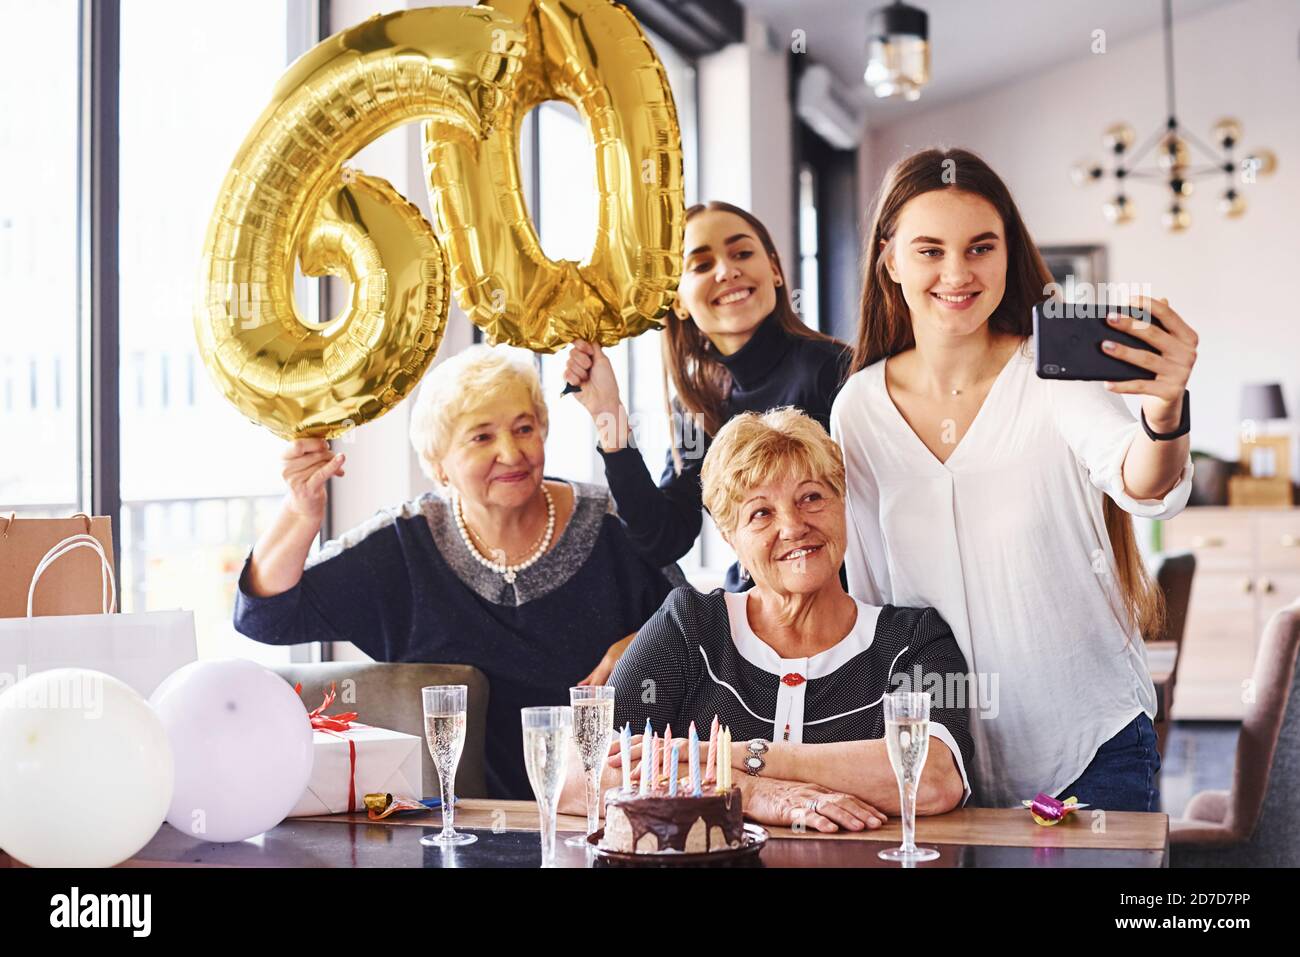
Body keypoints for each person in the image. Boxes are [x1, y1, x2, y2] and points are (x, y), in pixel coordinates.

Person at [832, 147, 1197, 811]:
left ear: (1007, 254)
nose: (957, 272)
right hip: (941, 759)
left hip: (1091, 747)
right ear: (889, 259)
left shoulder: (1050, 376)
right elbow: (873, 595)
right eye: (929, 250)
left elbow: (1142, 482)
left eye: (980, 247)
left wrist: (1165, 410)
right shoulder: (859, 408)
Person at [232, 345, 683, 799]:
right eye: (481, 438)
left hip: (606, 817)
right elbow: (266, 615)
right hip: (452, 829)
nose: (512, 452)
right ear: (439, 464)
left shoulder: (611, 524)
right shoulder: (403, 545)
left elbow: (703, 632)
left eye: (524, 428)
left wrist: (644, 643)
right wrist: (302, 511)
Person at [557, 408, 973, 832]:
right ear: (728, 536)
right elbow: (577, 775)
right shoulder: (690, 626)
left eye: (811, 497)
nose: (793, 527)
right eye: (761, 513)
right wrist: (746, 791)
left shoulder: (914, 639)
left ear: (842, 503)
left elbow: (933, 780)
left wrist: (739, 757)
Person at [563, 201, 851, 592]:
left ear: (775, 271)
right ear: (677, 301)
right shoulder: (697, 402)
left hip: (843, 611)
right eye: (700, 265)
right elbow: (664, 537)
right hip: (755, 614)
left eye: (742, 253)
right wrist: (607, 413)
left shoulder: (835, 370)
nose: (727, 270)